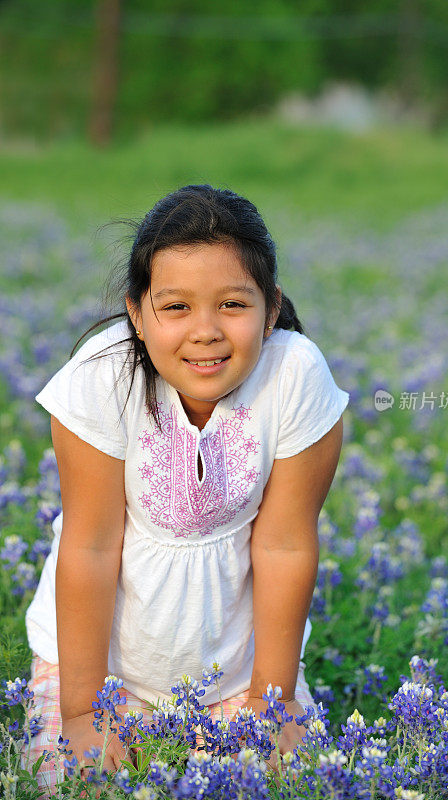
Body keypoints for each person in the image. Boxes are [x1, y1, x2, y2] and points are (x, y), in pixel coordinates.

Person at [22, 184, 349, 794]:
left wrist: (270, 704)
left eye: (232, 304)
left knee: (296, 782)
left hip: (239, 673)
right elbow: (90, 548)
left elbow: (284, 547)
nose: (205, 331)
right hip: (100, 672)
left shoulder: (295, 373)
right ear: (137, 315)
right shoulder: (102, 375)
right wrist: (84, 714)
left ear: (271, 308)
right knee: (70, 783)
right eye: (175, 308)